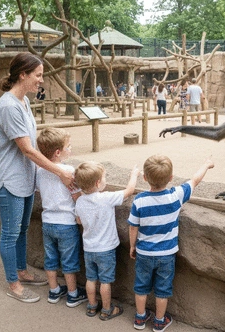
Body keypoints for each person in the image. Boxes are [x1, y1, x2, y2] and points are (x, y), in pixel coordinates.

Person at [0, 52, 74, 304]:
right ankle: (13, 283)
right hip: (9, 179)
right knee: (10, 233)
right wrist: (60, 171)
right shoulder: (8, 106)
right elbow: (27, 149)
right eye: (38, 75)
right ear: (23, 75)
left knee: (22, 229)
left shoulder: (23, 102)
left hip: (24, 178)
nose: (41, 80)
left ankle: (22, 271)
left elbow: (32, 147)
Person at [128, 154, 214, 331]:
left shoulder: (140, 201)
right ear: (170, 178)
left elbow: (133, 227)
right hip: (166, 254)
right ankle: (159, 321)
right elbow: (194, 180)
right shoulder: (176, 195)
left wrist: (132, 245)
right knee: (162, 289)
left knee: (141, 286)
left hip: (144, 253)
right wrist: (206, 165)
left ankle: (140, 318)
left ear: (144, 178)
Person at [74, 160, 140, 321]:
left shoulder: (80, 201)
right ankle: (106, 309)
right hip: (106, 250)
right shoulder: (106, 198)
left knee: (91, 279)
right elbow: (130, 190)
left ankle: (91, 306)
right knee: (105, 281)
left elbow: (78, 221)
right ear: (98, 183)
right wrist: (134, 174)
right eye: (104, 178)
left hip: (89, 248)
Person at [36, 127, 87, 307]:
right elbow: (76, 197)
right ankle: (73, 294)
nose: (70, 149)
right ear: (58, 152)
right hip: (66, 224)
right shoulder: (68, 170)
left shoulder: (40, 170)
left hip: (48, 222)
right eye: (68, 146)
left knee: (50, 258)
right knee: (69, 260)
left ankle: (54, 290)